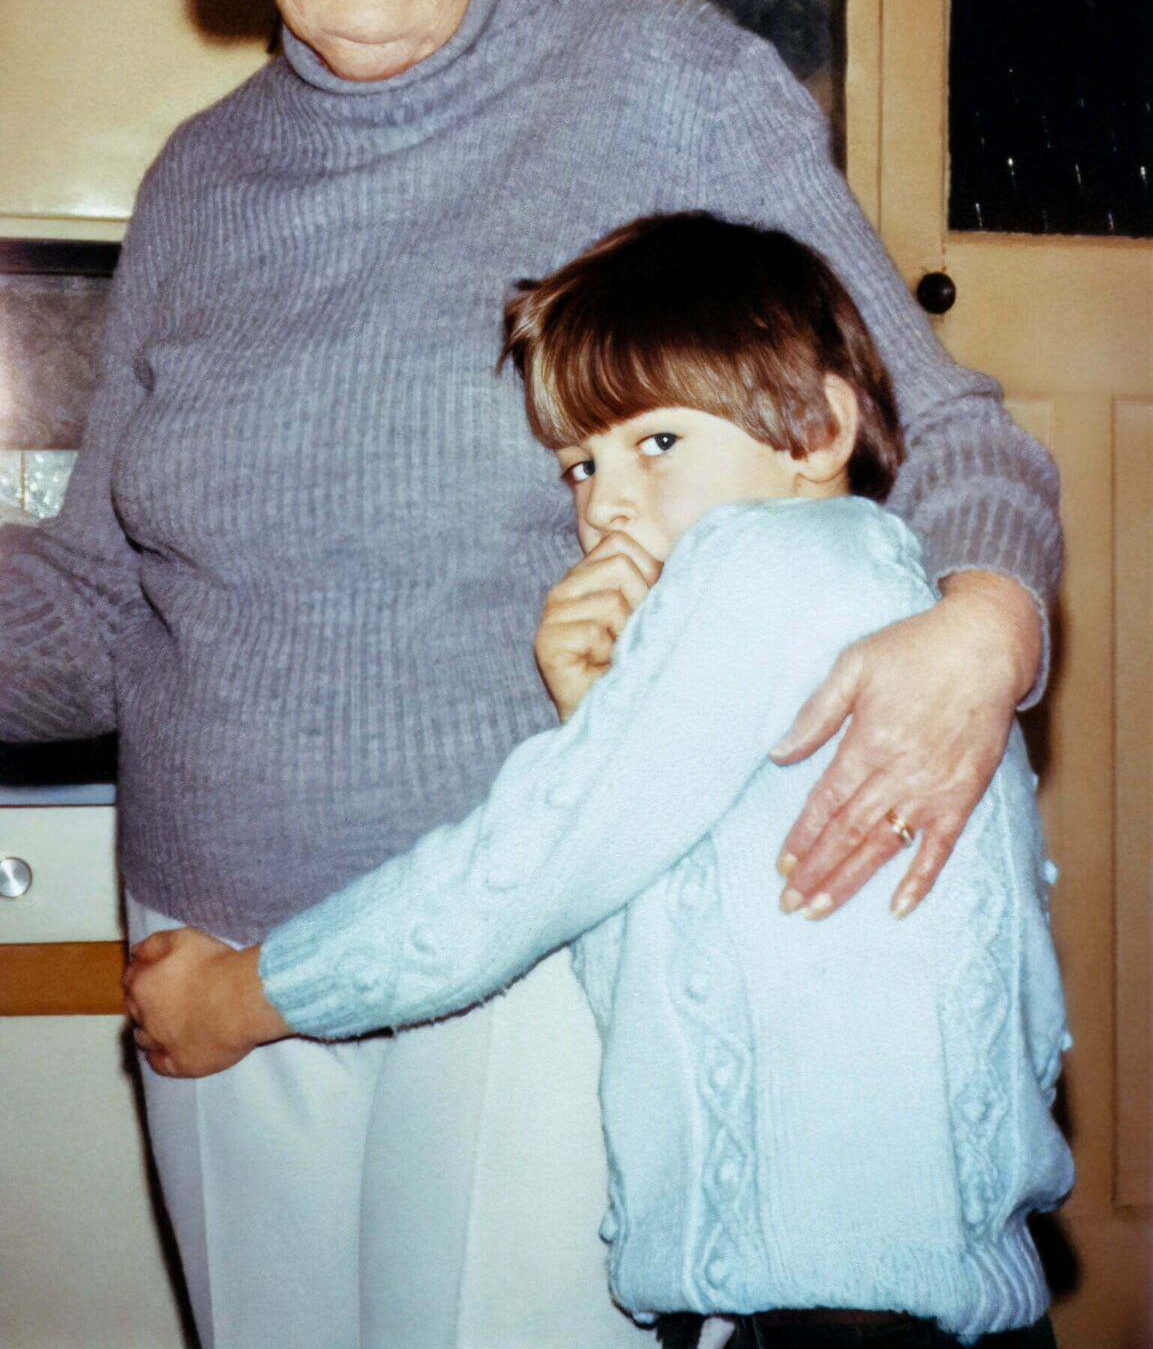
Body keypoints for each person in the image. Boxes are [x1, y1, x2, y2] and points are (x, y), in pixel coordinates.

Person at [0, 0, 1061, 1349]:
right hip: (203, 927)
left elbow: (925, 418)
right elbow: (106, 605)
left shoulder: (655, 78)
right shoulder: (195, 186)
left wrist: (987, 626)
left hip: (528, 926)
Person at [125, 213, 1073, 1349]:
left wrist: (242, 997)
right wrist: (602, 708)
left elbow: (528, 866)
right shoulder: (863, 584)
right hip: (891, 1288)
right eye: (580, 462)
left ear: (817, 429)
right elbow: (712, 899)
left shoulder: (768, 562)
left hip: (840, 1311)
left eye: (656, 443)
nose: (603, 504)